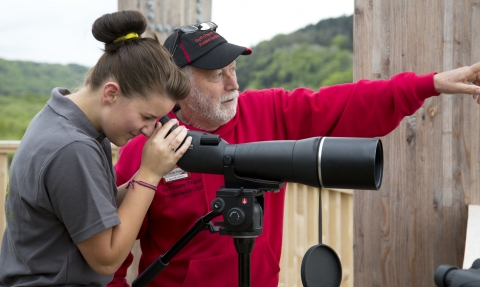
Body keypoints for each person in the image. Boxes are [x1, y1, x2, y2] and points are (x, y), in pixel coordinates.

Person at [108, 22, 480, 287]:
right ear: (180, 84)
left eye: (234, 69)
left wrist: (430, 84)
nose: (233, 84)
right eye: (217, 74)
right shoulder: (147, 147)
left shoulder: (268, 111)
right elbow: (115, 248)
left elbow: (346, 103)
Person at [0, 10, 193, 287]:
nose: (150, 130)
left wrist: (155, 169)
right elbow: (107, 259)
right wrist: (149, 174)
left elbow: (90, 208)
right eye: (147, 117)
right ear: (111, 93)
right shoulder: (73, 148)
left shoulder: (65, 120)